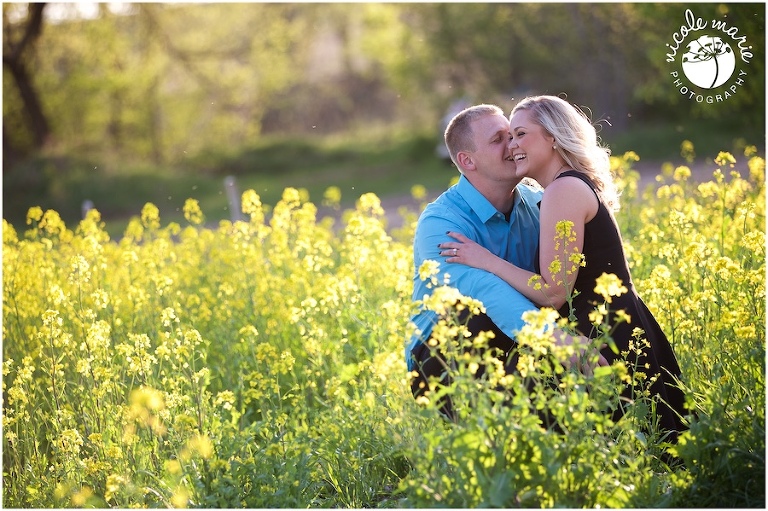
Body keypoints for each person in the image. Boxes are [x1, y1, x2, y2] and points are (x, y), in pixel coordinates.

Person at [438, 95, 687, 441]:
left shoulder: (563, 190)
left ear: (552, 137)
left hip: (607, 334)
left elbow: (555, 292)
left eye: (521, 134)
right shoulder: (562, 187)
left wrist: (485, 260)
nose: (512, 146)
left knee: (644, 449)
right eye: (508, 137)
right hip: (609, 325)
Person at [407, 103, 607, 421]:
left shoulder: (538, 202)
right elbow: (484, 290)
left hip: (521, 336)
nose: (513, 145)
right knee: (470, 317)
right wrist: (558, 340)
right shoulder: (441, 224)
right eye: (499, 139)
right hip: (442, 359)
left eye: (515, 134)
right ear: (466, 160)